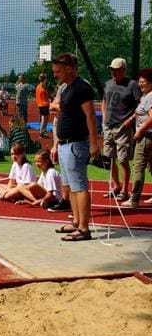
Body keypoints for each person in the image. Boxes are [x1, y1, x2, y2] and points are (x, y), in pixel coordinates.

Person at [51, 52, 99, 241]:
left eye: (58, 71)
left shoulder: (82, 88)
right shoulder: (66, 89)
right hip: (64, 144)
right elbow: (64, 115)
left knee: (79, 186)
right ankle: (77, 222)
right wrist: (56, 143)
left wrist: (94, 144)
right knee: (70, 186)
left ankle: (84, 229)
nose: (55, 74)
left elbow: (90, 116)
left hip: (76, 144)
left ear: (69, 69)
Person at [101, 57, 141, 201]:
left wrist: (130, 120)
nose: (113, 73)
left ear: (123, 70)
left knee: (123, 160)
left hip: (122, 128)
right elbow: (104, 101)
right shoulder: (108, 83)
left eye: (117, 70)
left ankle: (125, 190)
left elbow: (141, 105)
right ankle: (116, 186)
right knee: (109, 159)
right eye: (112, 70)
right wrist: (104, 118)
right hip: (108, 127)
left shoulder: (132, 85)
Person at [122, 68, 152, 208]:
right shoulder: (146, 96)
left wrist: (140, 131)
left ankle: (134, 199)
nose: (140, 84)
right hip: (148, 135)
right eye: (139, 81)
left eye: (143, 82)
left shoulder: (150, 97)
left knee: (138, 166)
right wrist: (131, 119)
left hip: (147, 136)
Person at [47, 83, 72, 213]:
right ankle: (65, 200)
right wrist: (55, 146)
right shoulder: (57, 119)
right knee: (64, 174)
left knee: (73, 177)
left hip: (71, 143)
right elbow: (52, 108)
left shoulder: (79, 87)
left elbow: (60, 108)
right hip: (61, 142)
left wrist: (55, 146)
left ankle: (73, 204)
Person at [35, 73, 50, 138]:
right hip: (43, 104)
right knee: (44, 119)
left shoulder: (41, 86)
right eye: (46, 78)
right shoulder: (40, 87)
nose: (47, 80)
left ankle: (43, 131)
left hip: (43, 104)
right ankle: (41, 132)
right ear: (44, 79)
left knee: (46, 119)